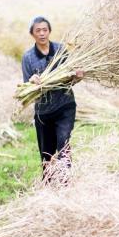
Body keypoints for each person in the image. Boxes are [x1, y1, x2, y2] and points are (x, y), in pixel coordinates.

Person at [21, 16, 82, 177]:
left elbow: (70, 79)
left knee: (63, 144)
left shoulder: (61, 50)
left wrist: (77, 76)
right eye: (38, 30)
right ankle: (48, 185)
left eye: (45, 30)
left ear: (49, 31)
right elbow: (27, 84)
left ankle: (65, 182)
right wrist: (32, 81)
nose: (42, 33)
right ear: (32, 34)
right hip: (44, 112)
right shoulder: (28, 57)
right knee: (47, 153)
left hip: (65, 105)